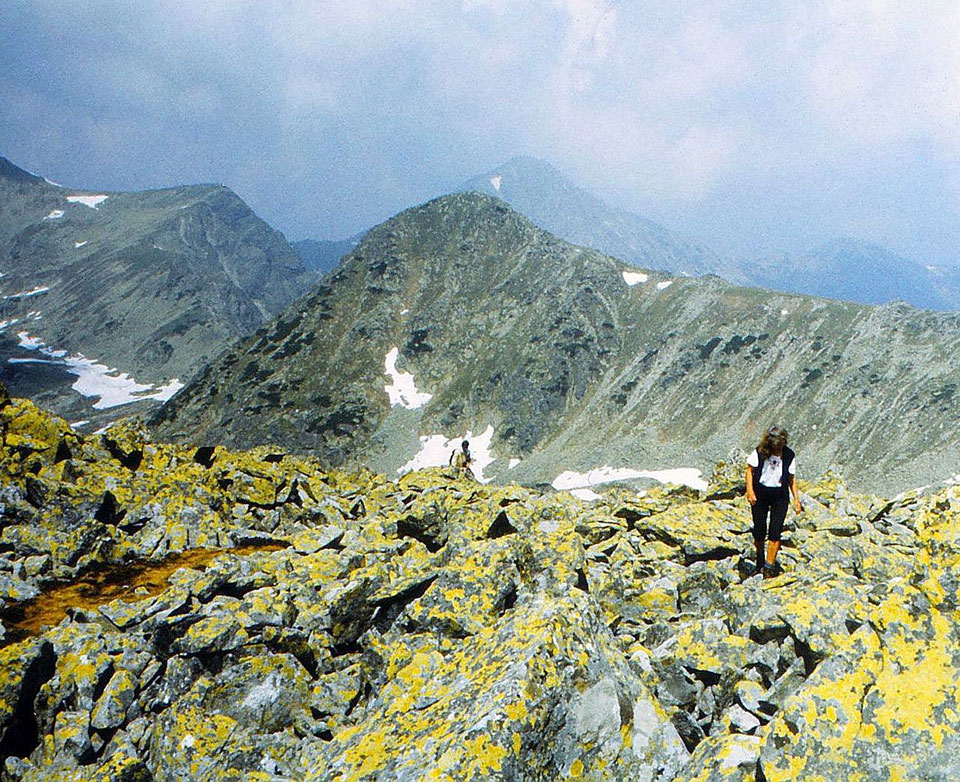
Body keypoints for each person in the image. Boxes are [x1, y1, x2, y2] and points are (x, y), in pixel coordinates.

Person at [745, 425, 802, 577]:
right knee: (759, 529)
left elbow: (791, 478)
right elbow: (749, 470)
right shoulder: (759, 451)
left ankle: (769, 567)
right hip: (760, 493)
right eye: (776, 447)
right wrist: (750, 491)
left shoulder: (789, 455)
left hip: (780, 496)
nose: (778, 450)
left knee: (775, 531)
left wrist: (796, 499)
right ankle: (759, 558)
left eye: (780, 447)